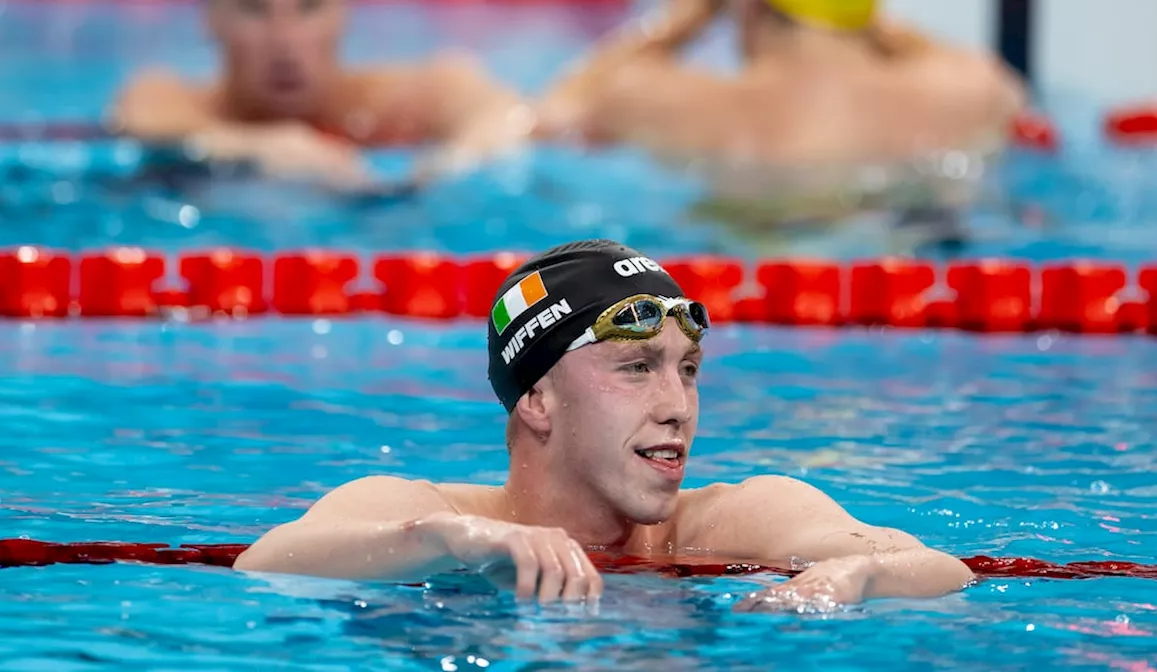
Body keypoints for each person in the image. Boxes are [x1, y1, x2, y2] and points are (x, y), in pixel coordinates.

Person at [233, 238, 975, 611]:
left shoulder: (738, 515)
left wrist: (859, 575)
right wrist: (446, 543)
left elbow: (942, 569)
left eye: (687, 369)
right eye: (636, 367)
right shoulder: (440, 515)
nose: (677, 405)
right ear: (536, 398)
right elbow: (268, 560)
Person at [537, 0, 1027, 243]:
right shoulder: (967, 96)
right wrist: (872, 24)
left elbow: (553, 111)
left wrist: (682, 21)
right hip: (899, 260)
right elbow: (1005, 85)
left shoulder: (669, 100)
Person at [109, 0, 535, 189]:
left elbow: (499, 112)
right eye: (254, 9)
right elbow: (142, 118)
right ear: (210, 19)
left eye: (309, 6)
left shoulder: (399, 100)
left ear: (343, 13)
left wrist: (449, 165)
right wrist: (270, 148)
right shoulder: (170, 100)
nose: (285, 41)